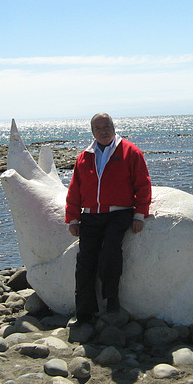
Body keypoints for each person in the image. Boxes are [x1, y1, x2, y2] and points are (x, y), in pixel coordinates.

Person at [65, 113, 152, 325]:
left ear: (113, 127)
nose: (104, 130)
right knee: (85, 262)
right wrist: (73, 218)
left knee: (111, 252)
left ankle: (112, 302)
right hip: (91, 216)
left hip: (119, 214)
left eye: (107, 126)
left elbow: (143, 183)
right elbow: (75, 189)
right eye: (98, 128)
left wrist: (140, 214)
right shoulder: (84, 156)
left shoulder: (130, 151)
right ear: (92, 132)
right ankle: (84, 312)